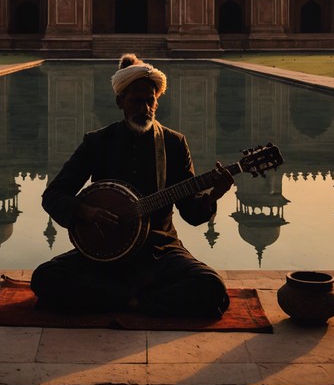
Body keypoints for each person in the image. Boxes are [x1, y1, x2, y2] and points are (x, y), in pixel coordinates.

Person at [30, 53, 234, 318]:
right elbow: (54, 194)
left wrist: (213, 195)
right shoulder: (98, 143)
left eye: (150, 101)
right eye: (136, 101)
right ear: (120, 102)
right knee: (45, 278)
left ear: (157, 103)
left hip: (159, 251)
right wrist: (86, 212)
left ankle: (118, 299)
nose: (144, 109)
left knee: (211, 288)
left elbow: (191, 213)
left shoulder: (173, 144)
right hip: (106, 251)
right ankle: (143, 301)